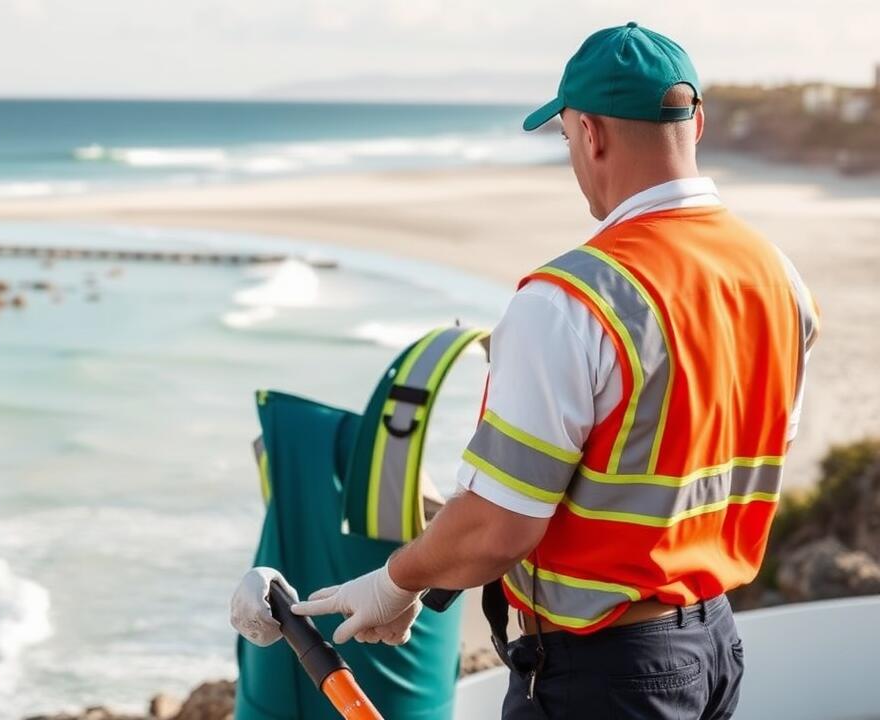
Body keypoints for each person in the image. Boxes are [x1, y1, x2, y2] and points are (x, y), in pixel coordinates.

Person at [230, 22, 819, 719]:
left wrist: (394, 581)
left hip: (606, 675)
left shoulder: (572, 300)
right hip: (714, 647)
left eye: (567, 137)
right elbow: (743, 459)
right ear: (697, 121)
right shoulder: (780, 280)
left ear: (592, 134)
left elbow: (497, 528)